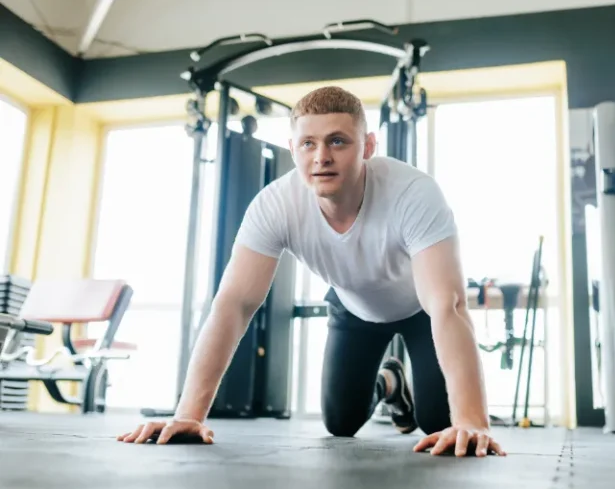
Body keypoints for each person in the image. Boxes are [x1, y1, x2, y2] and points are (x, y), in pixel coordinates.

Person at [117, 86, 506, 458]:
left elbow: (448, 305)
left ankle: (425, 400)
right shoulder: (276, 205)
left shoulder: (413, 193)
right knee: (341, 423)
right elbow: (234, 304)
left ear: (368, 147)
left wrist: (473, 422)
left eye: (338, 141)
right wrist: (188, 416)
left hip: (422, 310)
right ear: (293, 149)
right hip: (352, 307)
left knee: (439, 422)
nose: (322, 156)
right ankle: (390, 381)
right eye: (308, 143)